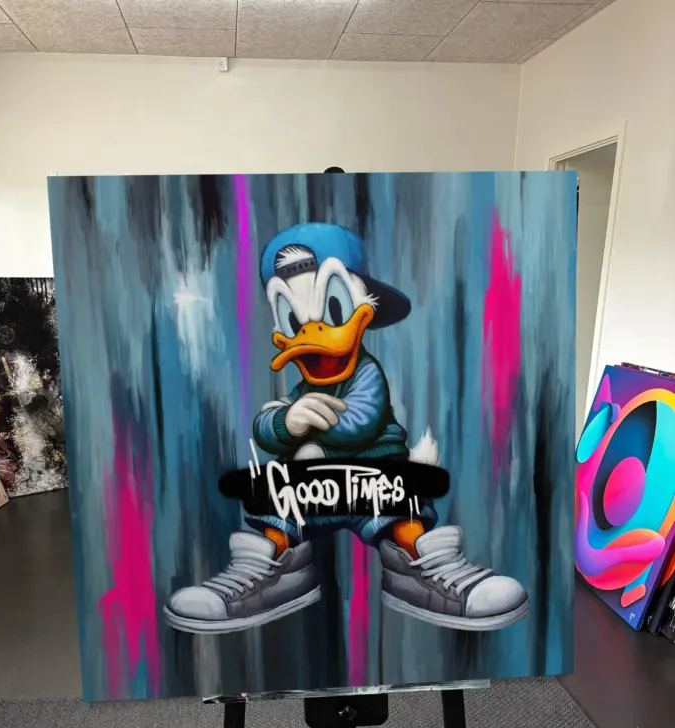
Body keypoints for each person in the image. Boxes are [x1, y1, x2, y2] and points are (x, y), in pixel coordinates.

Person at [165, 223, 529, 635]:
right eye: (294, 320)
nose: (312, 333)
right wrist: (288, 421)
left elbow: (362, 423)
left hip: (375, 479)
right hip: (313, 490)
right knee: (278, 505)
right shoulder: (301, 392)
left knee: (403, 508)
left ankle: (418, 565)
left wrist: (318, 428)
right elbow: (266, 427)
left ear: (363, 310)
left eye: (332, 309)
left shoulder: (367, 375)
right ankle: (273, 570)